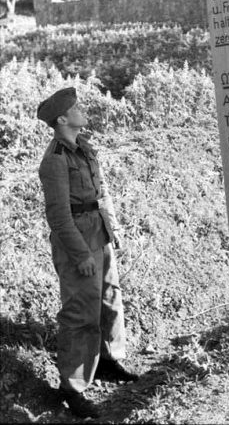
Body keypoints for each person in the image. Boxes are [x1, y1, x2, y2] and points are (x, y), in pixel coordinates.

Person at [37, 87, 138, 419]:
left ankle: (109, 361)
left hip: (99, 233)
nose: (83, 110)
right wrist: (80, 255)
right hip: (77, 241)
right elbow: (59, 217)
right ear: (63, 119)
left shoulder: (85, 148)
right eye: (76, 108)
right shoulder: (55, 161)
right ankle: (72, 387)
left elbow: (102, 192)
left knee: (110, 297)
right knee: (80, 312)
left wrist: (115, 231)